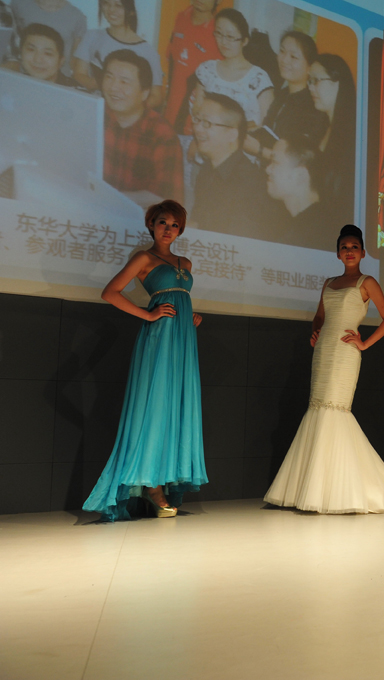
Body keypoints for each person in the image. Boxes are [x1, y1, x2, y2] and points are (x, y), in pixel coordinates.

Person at [265, 225, 384, 514]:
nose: (349, 251)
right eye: (344, 247)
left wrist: (364, 343)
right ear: (337, 253)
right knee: (318, 408)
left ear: (363, 253)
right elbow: (319, 316)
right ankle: (314, 490)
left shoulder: (367, 282)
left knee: (335, 410)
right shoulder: (329, 282)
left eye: (354, 247)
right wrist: (315, 331)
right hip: (323, 351)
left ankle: (339, 492)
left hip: (346, 353)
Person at [83, 200, 207, 521]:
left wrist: (189, 317)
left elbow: (178, 296)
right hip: (159, 339)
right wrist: (148, 314)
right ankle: (152, 488)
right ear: (151, 224)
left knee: (176, 406)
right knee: (155, 406)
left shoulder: (185, 262)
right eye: (163, 222)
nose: (169, 229)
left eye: (175, 225)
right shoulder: (143, 258)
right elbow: (110, 292)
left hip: (182, 340)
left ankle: (163, 479)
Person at [191, 92, 278, 238]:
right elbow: (198, 220)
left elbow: (237, 244)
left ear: (232, 134)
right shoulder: (207, 169)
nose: (197, 128)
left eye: (206, 123)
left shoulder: (251, 184)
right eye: (197, 120)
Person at [102, 49, 183, 203]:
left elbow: (169, 199)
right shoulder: (96, 114)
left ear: (145, 93)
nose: (113, 87)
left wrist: (112, 199)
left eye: (124, 82)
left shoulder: (162, 135)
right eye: (109, 77)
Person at [246, 30, 328, 163]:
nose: (284, 60)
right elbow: (271, 131)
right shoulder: (283, 93)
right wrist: (254, 130)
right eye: (282, 51)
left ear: (309, 66)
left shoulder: (313, 105)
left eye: (293, 57)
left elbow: (299, 159)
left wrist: (259, 150)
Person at [71, 0, 163, 108]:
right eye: (106, 3)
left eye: (118, 5)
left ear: (131, 11)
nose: (111, 10)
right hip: (93, 107)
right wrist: (97, 83)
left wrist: (129, 110)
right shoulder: (92, 36)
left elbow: (156, 96)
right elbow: (78, 74)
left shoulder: (148, 51)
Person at [193, 9, 273, 128]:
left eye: (230, 36)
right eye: (219, 34)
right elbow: (197, 111)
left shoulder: (259, 79)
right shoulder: (206, 70)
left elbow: (266, 125)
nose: (223, 42)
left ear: (244, 41)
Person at [308, 53, 356, 224]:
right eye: (309, 81)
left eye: (316, 80)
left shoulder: (353, 133)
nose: (310, 87)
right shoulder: (320, 127)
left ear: (338, 82)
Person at [266, 134, 332, 249]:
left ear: (300, 175)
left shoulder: (316, 238)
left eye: (275, 162)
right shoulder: (313, 224)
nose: (267, 169)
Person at [164, 0, 220, 133]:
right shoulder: (181, 17)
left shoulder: (218, 33)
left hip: (193, 125)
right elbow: (172, 63)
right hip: (168, 117)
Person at [9, 0, 85, 76]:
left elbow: (75, 59)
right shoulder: (19, 4)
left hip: (59, 78)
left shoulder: (77, 17)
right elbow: (12, 43)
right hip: (22, 74)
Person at [1, 21, 77, 86]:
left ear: (61, 61)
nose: (38, 60)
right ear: (20, 54)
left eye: (48, 53)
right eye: (31, 50)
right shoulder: (11, 83)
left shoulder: (76, 92)